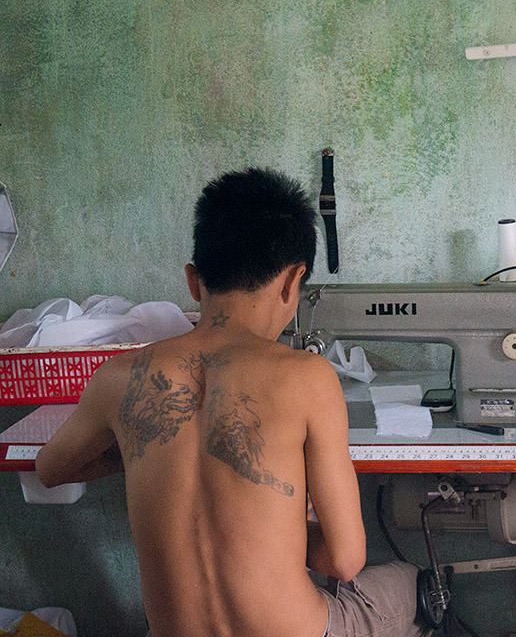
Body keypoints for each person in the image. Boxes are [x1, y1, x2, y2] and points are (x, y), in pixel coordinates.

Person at [36, 168, 425, 637]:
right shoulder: (306, 377)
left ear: (193, 281)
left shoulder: (122, 378)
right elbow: (344, 560)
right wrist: (268, 527)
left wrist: (140, 450)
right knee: (411, 584)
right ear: (292, 283)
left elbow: (50, 469)